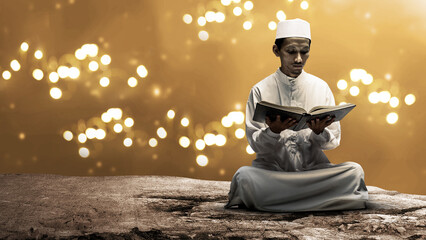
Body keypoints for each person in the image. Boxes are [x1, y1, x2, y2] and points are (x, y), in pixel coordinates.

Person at [224, 18, 368, 212]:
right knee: (244, 177)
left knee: (354, 171)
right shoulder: (259, 90)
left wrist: (318, 133)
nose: (299, 59)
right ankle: (321, 200)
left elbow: (333, 142)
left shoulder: (320, 87)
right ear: (276, 51)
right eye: (291, 52)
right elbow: (255, 143)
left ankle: (277, 201)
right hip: (272, 172)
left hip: (313, 171)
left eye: (304, 52)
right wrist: (273, 131)